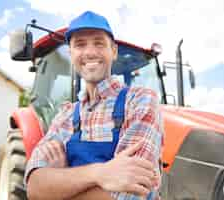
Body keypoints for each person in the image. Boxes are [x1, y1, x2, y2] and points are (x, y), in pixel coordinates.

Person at [25, 10, 164, 200]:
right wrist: (100, 173)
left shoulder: (140, 101)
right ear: (71, 53)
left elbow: (131, 194)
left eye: (99, 43)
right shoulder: (65, 116)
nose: (90, 52)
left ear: (113, 51)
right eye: (80, 45)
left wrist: (59, 184)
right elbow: (35, 188)